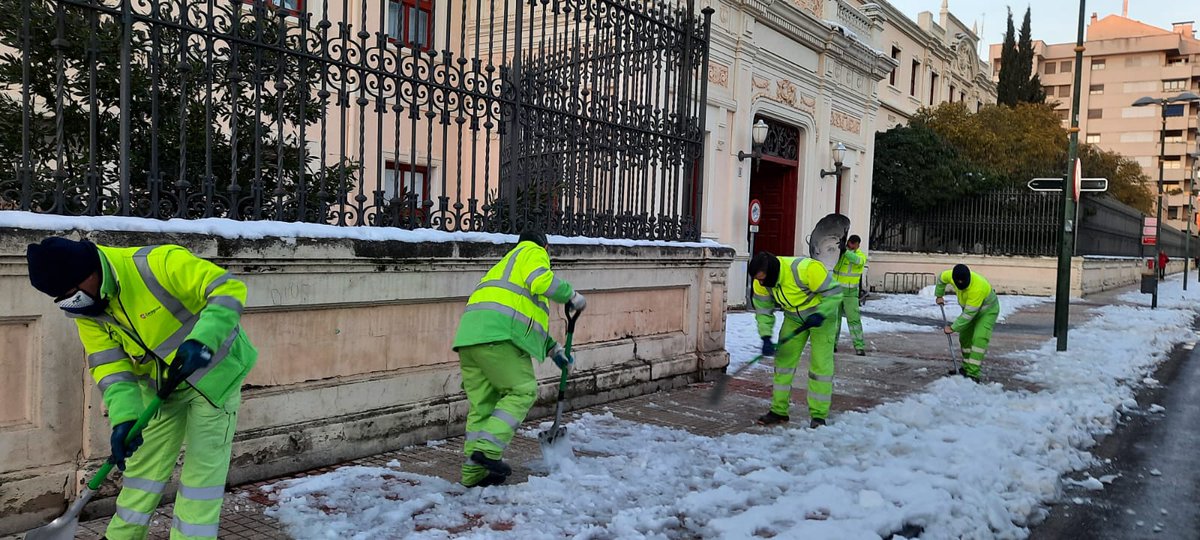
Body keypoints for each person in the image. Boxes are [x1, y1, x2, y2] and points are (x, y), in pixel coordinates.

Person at [25, 237, 256, 540]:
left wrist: (203, 340)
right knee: (142, 471)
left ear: (90, 271)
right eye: (63, 298)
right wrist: (125, 420)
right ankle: (121, 536)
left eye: (73, 293)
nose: (73, 302)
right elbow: (111, 368)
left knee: (201, 476)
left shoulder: (155, 263)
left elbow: (227, 288)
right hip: (162, 388)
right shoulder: (87, 312)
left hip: (214, 377)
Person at [451, 230, 586, 487]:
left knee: (484, 405)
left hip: (469, 338)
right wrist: (571, 295)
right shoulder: (532, 252)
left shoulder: (505, 267)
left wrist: (555, 351)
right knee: (523, 391)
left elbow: (523, 321)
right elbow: (541, 281)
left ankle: (474, 473)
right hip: (498, 338)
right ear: (545, 247)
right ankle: (488, 451)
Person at [747, 251, 842, 429]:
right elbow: (763, 310)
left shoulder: (807, 269)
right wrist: (766, 337)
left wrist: (821, 313)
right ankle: (778, 411)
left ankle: (819, 415)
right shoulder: (760, 283)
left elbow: (835, 293)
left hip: (822, 317)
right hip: (793, 318)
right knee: (783, 362)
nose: (761, 283)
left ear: (773, 273)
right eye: (758, 280)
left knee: (820, 366)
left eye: (763, 279)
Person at [934, 264, 999, 382]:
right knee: (965, 338)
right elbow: (941, 278)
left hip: (987, 312)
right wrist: (939, 294)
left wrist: (953, 327)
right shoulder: (950, 275)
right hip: (969, 311)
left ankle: (973, 374)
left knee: (979, 338)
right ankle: (966, 368)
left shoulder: (978, 288)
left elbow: (968, 315)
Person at [832, 234, 867, 356]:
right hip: (836, 291)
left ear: (857, 245)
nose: (850, 245)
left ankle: (859, 346)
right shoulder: (840, 254)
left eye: (853, 243)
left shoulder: (859, 255)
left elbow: (857, 261)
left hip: (850, 294)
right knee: (834, 320)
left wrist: (845, 251)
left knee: (854, 320)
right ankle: (832, 345)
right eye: (849, 243)